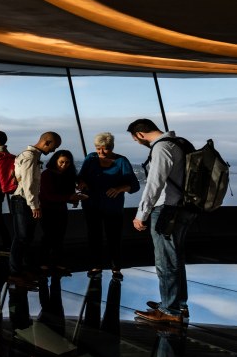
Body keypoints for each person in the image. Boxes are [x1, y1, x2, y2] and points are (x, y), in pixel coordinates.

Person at [128, 119, 196, 324]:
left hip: (167, 210)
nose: (137, 142)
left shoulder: (161, 147)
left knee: (165, 260)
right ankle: (178, 304)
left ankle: (170, 310)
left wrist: (142, 214)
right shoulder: (180, 143)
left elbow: (154, 184)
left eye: (135, 139)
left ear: (140, 134)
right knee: (175, 258)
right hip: (184, 207)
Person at [77, 132, 140, 279]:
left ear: (112, 147)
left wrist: (119, 188)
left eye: (105, 149)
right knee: (94, 236)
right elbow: (80, 177)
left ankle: (116, 268)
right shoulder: (90, 158)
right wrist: (82, 183)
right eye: (98, 148)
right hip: (91, 205)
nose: (101, 152)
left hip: (113, 207)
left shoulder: (122, 161)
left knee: (114, 237)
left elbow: (135, 185)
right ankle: (96, 266)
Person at [8, 132, 62, 285]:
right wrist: (34, 205)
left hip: (24, 200)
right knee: (21, 238)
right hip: (23, 201)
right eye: (54, 147)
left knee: (25, 238)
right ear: (47, 142)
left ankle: (22, 271)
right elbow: (28, 183)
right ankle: (15, 273)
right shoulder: (30, 157)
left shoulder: (31, 156)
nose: (53, 151)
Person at [39, 149, 83, 273]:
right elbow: (47, 195)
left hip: (59, 209)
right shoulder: (47, 175)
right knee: (48, 237)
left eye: (67, 163)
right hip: (47, 209)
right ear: (55, 161)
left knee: (58, 237)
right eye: (62, 162)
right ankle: (45, 262)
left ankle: (54, 262)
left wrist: (73, 196)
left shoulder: (67, 175)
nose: (64, 165)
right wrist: (70, 198)